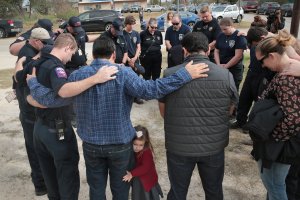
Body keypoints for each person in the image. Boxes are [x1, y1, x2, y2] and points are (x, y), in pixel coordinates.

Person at [26, 36, 209, 200]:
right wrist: (184, 75)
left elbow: (52, 98)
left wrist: (32, 84)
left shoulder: (78, 75)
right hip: (119, 145)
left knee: (96, 189)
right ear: (113, 54)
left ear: (93, 55)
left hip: (92, 145)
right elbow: (151, 90)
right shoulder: (123, 74)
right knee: (120, 189)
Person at [25, 33, 120, 200]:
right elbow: (64, 91)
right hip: (57, 130)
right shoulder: (56, 68)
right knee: (67, 175)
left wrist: (39, 101)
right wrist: (96, 78)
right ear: (67, 47)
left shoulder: (37, 63)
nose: (70, 59)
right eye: (71, 53)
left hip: (39, 129)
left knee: (50, 176)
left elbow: (25, 92)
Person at [158, 32, 238, 200]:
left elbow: (163, 111)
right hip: (213, 146)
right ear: (208, 50)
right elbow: (230, 109)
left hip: (179, 146)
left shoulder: (170, 73)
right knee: (214, 191)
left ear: (185, 51)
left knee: (177, 192)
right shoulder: (225, 75)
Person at [251, 30, 300, 200]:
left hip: (279, 148)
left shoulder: (287, 78)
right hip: (282, 145)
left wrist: (273, 138)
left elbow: (293, 118)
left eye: (262, 61)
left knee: (275, 186)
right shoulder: (289, 71)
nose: (263, 66)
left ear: (271, 56)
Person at [13, 27, 54, 196]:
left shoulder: (30, 52)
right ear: (36, 41)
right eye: (45, 43)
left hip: (30, 110)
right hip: (30, 112)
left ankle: (40, 180)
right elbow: (18, 77)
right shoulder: (28, 55)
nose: (47, 46)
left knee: (38, 148)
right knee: (35, 149)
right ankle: (40, 185)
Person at [231, 27, 274, 129]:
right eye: (254, 44)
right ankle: (240, 120)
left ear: (263, 38)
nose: (255, 46)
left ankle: (253, 125)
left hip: (264, 76)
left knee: (259, 102)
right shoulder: (254, 40)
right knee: (244, 98)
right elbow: (247, 38)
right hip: (251, 73)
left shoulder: (272, 45)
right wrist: (242, 33)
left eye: (256, 43)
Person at [123, 125, 163, 200]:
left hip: (146, 180)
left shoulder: (146, 152)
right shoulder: (131, 150)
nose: (137, 147)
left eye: (141, 145)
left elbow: (145, 167)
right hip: (138, 179)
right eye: (135, 144)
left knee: (145, 196)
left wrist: (132, 174)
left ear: (146, 142)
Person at [214, 17, 247, 91]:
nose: (223, 31)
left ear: (232, 26)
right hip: (221, 66)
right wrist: (218, 64)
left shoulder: (239, 36)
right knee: (222, 89)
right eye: (221, 29)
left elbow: (238, 56)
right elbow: (216, 51)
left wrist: (226, 66)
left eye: (225, 29)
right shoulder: (220, 35)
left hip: (234, 69)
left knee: (233, 90)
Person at [123, 15, 144, 104]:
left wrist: (135, 58)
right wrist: (129, 60)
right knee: (127, 79)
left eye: (133, 24)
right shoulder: (122, 34)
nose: (132, 26)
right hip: (126, 60)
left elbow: (138, 47)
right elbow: (122, 49)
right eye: (130, 24)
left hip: (135, 59)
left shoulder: (136, 33)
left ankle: (136, 97)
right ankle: (127, 97)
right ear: (126, 24)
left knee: (136, 78)